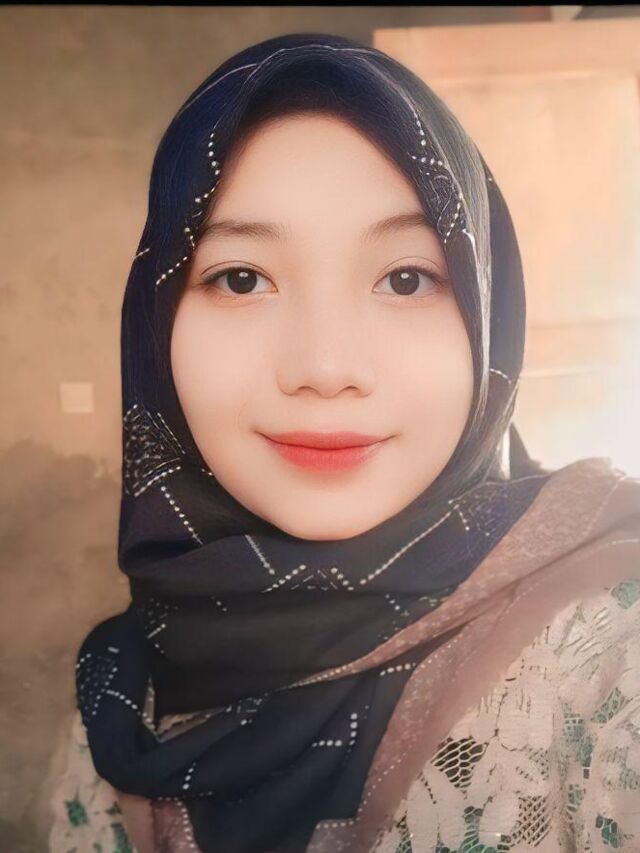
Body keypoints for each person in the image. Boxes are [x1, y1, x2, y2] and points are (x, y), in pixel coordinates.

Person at [47, 32, 640, 853]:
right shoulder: (119, 700)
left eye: (405, 278)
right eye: (242, 277)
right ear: (155, 326)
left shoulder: (606, 659)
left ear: (487, 315)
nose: (325, 368)